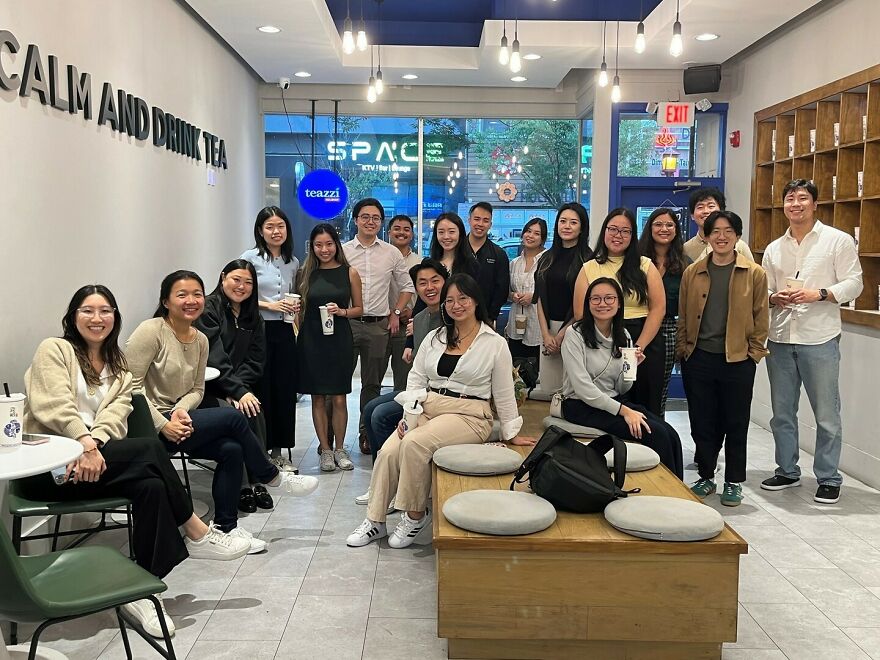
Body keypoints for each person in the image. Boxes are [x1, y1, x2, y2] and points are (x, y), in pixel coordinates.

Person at [23, 285, 252, 640]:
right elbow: (51, 405)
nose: (97, 318)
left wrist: (94, 445)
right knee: (148, 450)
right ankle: (196, 532)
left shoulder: (119, 367)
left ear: (115, 318)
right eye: (87, 310)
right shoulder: (55, 350)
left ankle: (143, 591)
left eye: (105, 311)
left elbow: (115, 418)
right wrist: (83, 442)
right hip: (53, 468)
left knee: (151, 486)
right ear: (72, 317)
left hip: (96, 463)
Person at [126, 270, 319, 555]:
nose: (191, 301)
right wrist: (163, 424)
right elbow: (129, 387)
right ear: (166, 301)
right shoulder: (151, 331)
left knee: (231, 449)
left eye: (197, 294)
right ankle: (271, 476)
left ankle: (226, 526)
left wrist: (180, 410)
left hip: (179, 419)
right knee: (231, 416)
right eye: (182, 295)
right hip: (146, 425)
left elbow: (197, 389)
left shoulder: (199, 339)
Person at [347, 273, 536, 549]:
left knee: (414, 443)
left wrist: (511, 431)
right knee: (388, 451)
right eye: (450, 300)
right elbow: (416, 380)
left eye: (463, 298)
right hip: (428, 405)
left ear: (476, 301)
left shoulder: (494, 343)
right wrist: (408, 416)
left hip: (470, 414)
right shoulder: (435, 337)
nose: (456, 305)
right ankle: (375, 520)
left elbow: (504, 392)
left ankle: (415, 515)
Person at [760, 179, 863, 504]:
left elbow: (855, 283)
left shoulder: (837, 240)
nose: (796, 204)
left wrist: (820, 293)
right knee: (782, 413)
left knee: (827, 415)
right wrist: (774, 297)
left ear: (815, 204)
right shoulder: (775, 248)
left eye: (803, 198)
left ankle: (829, 478)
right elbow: (763, 289)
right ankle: (787, 470)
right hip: (780, 337)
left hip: (820, 337)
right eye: (790, 199)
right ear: (784, 205)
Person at [677, 211, 770, 506]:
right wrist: (684, 350)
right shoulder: (693, 272)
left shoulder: (754, 273)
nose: (721, 236)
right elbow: (683, 316)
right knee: (702, 421)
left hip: (738, 360)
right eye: (715, 231)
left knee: (735, 422)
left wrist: (753, 354)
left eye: (728, 230)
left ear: (737, 236)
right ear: (706, 236)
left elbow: (761, 317)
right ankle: (706, 475)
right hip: (699, 358)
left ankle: (733, 481)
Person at [560, 278, 683, 478]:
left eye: (609, 298)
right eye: (596, 299)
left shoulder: (623, 335)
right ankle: (665, 490)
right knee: (657, 434)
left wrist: (631, 368)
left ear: (618, 303)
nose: (602, 304)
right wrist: (625, 412)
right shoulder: (574, 334)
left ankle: (677, 491)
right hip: (580, 405)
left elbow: (622, 388)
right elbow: (583, 389)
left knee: (670, 433)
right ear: (588, 303)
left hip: (613, 401)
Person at [354, 259, 449, 507]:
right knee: (370, 408)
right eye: (422, 283)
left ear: (446, 282)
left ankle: (394, 485)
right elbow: (419, 365)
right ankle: (382, 481)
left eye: (435, 281)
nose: (429, 287)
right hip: (419, 389)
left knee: (381, 415)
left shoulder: (453, 316)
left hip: (440, 395)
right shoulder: (420, 318)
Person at [195, 259, 273, 513]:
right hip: (207, 388)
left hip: (237, 385)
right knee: (234, 415)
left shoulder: (253, 316)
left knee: (253, 408)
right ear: (223, 278)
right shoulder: (209, 309)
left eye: (248, 282)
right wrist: (233, 391)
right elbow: (214, 357)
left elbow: (256, 360)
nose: (241, 286)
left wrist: (241, 390)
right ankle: (243, 485)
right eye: (236, 279)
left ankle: (257, 481)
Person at [573, 208, 666, 416]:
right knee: (613, 407)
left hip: (643, 342)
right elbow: (580, 313)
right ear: (604, 231)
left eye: (625, 231)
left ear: (632, 236)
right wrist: (603, 345)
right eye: (613, 229)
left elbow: (658, 308)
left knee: (647, 407)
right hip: (603, 343)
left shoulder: (645, 265)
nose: (618, 235)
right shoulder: (589, 268)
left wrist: (637, 349)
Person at [342, 198, 415, 450]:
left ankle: (366, 434)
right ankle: (332, 439)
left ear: (381, 222)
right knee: (338, 383)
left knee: (371, 384)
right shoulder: (343, 251)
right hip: (347, 324)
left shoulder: (391, 252)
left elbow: (407, 287)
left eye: (375, 218)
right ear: (356, 220)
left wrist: (396, 312)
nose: (370, 221)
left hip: (377, 326)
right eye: (365, 216)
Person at [296, 223, 363, 472]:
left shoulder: (349, 272)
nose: (324, 249)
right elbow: (299, 310)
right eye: (318, 245)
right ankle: (325, 449)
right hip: (311, 340)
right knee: (317, 396)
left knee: (339, 397)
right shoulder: (305, 273)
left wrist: (341, 311)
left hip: (339, 339)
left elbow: (359, 308)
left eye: (328, 244)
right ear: (312, 247)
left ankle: (340, 449)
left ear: (336, 244)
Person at [240, 206, 301, 472]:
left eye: (281, 226)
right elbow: (240, 295)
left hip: (284, 331)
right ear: (260, 231)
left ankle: (279, 451)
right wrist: (269, 305)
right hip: (258, 330)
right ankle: (260, 450)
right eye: (270, 227)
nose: (276, 232)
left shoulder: (293, 261)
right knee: (261, 388)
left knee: (284, 390)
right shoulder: (249, 258)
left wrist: (294, 309)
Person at [531, 202, 593, 400]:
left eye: (573, 222)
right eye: (563, 221)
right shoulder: (546, 258)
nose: (567, 226)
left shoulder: (589, 259)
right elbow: (539, 298)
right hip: (548, 330)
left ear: (582, 228)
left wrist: (560, 336)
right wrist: (546, 334)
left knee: (572, 390)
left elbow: (585, 305)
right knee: (550, 389)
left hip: (576, 329)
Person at [638, 208, 692, 415]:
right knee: (632, 384)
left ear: (676, 229)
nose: (664, 229)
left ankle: (657, 428)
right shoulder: (636, 259)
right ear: (649, 228)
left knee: (658, 390)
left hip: (668, 330)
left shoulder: (685, 264)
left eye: (670, 225)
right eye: (658, 224)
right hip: (636, 326)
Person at [384, 214, 422, 394]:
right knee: (372, 379)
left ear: (412, 234)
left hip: (406, 326)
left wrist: (412, 312)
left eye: (406, 229)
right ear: (389, 232)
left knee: (404, 382)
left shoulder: (419, 262)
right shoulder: (381, 258)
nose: (401, 233)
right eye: (397, 229)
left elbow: (425, 296)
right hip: (381, 324)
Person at [506, 217, 547, 360]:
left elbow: (554, 293)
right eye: (528, 231)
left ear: (542, 239)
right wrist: (513, 296)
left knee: (536, 366)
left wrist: (534, 297)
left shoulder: (548, 261)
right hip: (515, 323)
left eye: (536, 233)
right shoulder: (514, 263)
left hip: (538, 327)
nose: (530, 236)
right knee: (516, 366)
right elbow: (506, 291)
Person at [682, 187, 754, 263]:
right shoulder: (686, 248)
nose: (706, 211)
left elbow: (752, 269)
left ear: (721, 211)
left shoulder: (739, 246)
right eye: (700, 207)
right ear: (692, 215)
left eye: (711, 206)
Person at [467, 201, 510, 323]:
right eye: (477, 219)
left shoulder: (499, 254)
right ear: (469, 220)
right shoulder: (458, 249)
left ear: (490, 224)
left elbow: (502, 290)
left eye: (485, 220)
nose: (480, 224)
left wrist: (491, 317)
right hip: (457, 315)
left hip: (486, 319)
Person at [428, 211, 480, 279]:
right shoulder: (430, 265)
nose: (446, 237)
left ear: (460, 234)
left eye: (451, 232)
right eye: (441, 232)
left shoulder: (471, 265)